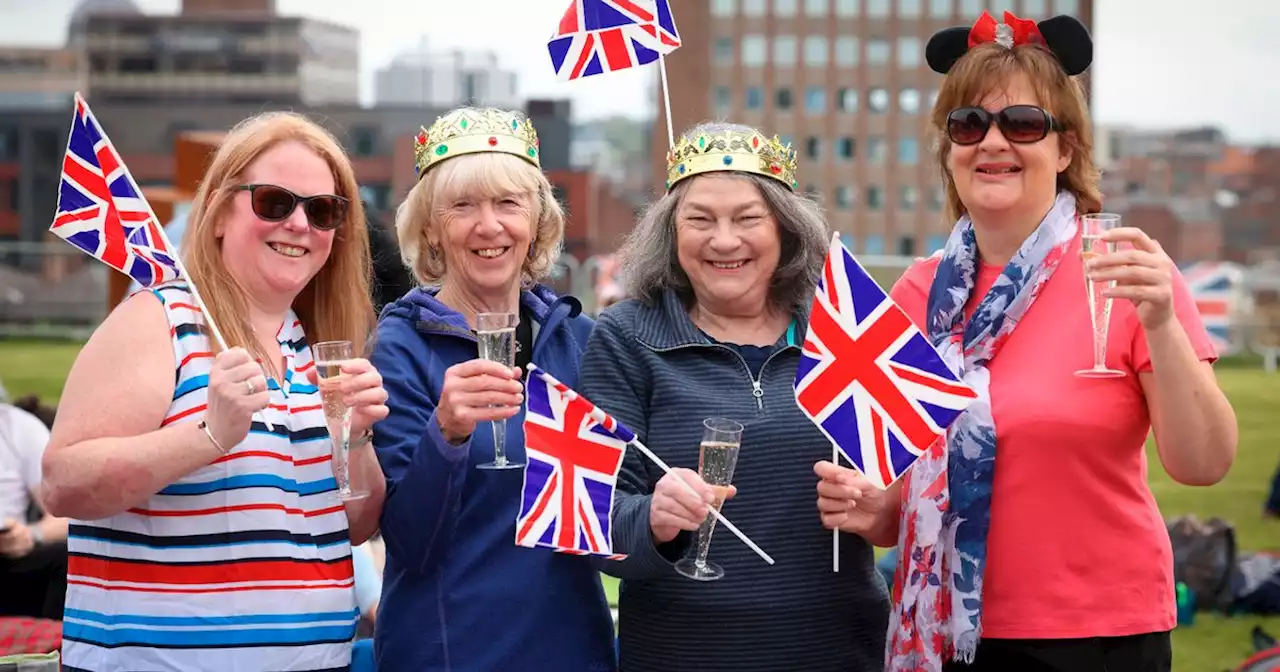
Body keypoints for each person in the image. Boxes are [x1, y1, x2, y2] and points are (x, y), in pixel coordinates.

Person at [815, 11, 1238, 672]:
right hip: (945, 633)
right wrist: (873, 511)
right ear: (948, 147)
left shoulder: (1125, 273)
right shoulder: (917, 294)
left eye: (1023, 123)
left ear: (1065, 149)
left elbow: (1204, 462)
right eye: (968, 124)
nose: (992, 142)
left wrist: (1160, 324)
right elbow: (907, 499)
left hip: (1097, 637)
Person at [40, 111, 391, 671]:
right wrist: (209, 435)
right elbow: (63, 485)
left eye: (323, 210)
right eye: (275, 202)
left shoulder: (313, 346)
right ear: (222, 212)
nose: (300, 224)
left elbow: (354, 526)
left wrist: (356, 438)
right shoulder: (157, 321)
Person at [579, 121, 890, 671]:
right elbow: (592, 518)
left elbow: (906, 499)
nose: (724, 240)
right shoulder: (627, 337)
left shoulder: (846, 332)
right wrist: (654, 515)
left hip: (836, 651)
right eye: (700, 220)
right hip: (682, 656)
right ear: (671, 234)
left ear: (786, 230)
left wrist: (879, 507)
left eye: (748, 219)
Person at [369, 106, 616, 671]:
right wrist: (447, 434)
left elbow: (617, 512)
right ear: (430, 227)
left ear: (537, 220)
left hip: (574, 651)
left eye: (508, 203)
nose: (489, 226)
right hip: (450, 653)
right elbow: (410, 546)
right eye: (462, 206)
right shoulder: (401, 347)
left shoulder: (581, 339)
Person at [0, 396, 68, 622]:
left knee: (68, 556)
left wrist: (30, 535)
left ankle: (51, 648)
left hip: (8, 559)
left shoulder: (18, 427)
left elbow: (69, 512)